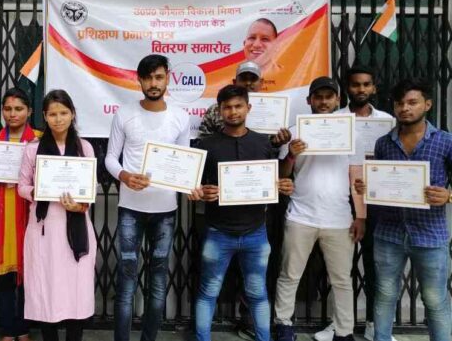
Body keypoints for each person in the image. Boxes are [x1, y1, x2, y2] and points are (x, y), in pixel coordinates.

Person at [192, 85, 294, 341]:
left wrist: (283, 184)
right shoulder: (207, 145)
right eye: (227, 107)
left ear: (248, 108)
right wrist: (201, 192)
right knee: (208, 293)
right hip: (218, 232)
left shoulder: (263, 144)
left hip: (255, 233)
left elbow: (275, 179)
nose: (233, 111)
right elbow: (192, 186)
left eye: (238, 106)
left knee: (257, 294)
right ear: (219, 111)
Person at [354, 78, 452, 341]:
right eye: (399, 103)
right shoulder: (383, 144)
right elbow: (383, 186)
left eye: (412, 102)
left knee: (435, 299)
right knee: (385, 295)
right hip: (389, 234)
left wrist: (448, 196)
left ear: (427, 105)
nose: (405, 108)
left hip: (430, 235)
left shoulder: (446, 142)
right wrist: (368, 187)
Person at [105, 54, 190, 341]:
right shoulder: (124, 114)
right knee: (126, 282)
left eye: (159, 77)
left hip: (165, 210)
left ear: (167, 79)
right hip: (130, 208)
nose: (153, 83)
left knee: (158, 283)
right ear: (139, 80)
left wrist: (189, 184)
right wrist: (124, 176)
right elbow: (110, 158)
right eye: (148, 78)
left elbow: (184, 162)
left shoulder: (180, 117)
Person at [274, 77, 364, 341]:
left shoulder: (351, 132)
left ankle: (344, 332)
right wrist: (291, 154)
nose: (323, 102)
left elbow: (356, 176)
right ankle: (283, 324)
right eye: (318, 97)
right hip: (301, 215)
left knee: (342, 280)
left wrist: (361, 215)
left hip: (339, 218)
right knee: (289, 274)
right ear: (309, 100)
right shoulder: (294, 132)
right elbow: (282, 176)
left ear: (338, 100)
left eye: (329, 97)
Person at [314, 66, 395, 341]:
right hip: (341, 198)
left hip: (376, 198)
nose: (361, 89)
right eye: (355, 84)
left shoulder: (387, 121)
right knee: (339, 267)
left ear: (374, 88)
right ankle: (339, 324)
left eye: (366, 84)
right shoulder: (334, 119)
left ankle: (374, 324)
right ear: (347, 89)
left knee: (374, 263)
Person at [17, 89, 96, 341]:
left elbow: (90, 189)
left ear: (72, 114)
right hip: (44, 230)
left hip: (76, 227)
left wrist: (79, 205)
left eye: (63, 113)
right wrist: (39, 191)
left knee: (76, 290)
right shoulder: (33, 149)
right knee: (45, 288)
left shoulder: (84, 147)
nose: (58, 119)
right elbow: (22, 186)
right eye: (52, 114)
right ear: (44, 116)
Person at [0, 88, 41, 341]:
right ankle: (8, 328)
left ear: (29, 111)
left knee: (29, 271)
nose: (13, 114)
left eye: (19, 109)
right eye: (7, 109)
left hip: (29, 212)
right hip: (0, 215)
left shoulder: (40, 139)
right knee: (4, 274)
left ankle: (24, 328)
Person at [199, 61, 290, 146]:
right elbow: (204, 142)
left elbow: (272, 146)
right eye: (243, 79)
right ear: (235, 82)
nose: (248, 83)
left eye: (253, 79)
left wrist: (277, 142)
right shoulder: (216, 110)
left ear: (261, 82)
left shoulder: (275, 110)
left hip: (260, 156)